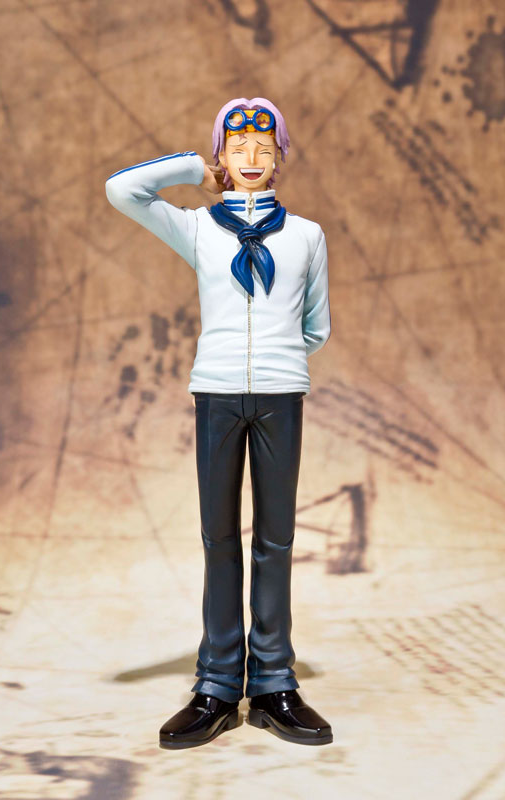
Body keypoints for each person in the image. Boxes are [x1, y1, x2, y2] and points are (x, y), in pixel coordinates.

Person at [105, 97, 332, 748]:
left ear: (280, 157)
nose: (252, 158)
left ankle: (274, 682)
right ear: (221, 159)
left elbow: (316, 325)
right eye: (237, 148)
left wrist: (278, 359)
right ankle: (217, 684)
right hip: (216, 395)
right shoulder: (199, 229)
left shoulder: (306, 236)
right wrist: (190, 172)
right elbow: (122, 190)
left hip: (280, 396)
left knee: (277, 539)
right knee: (219, 539)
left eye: (264, 147)